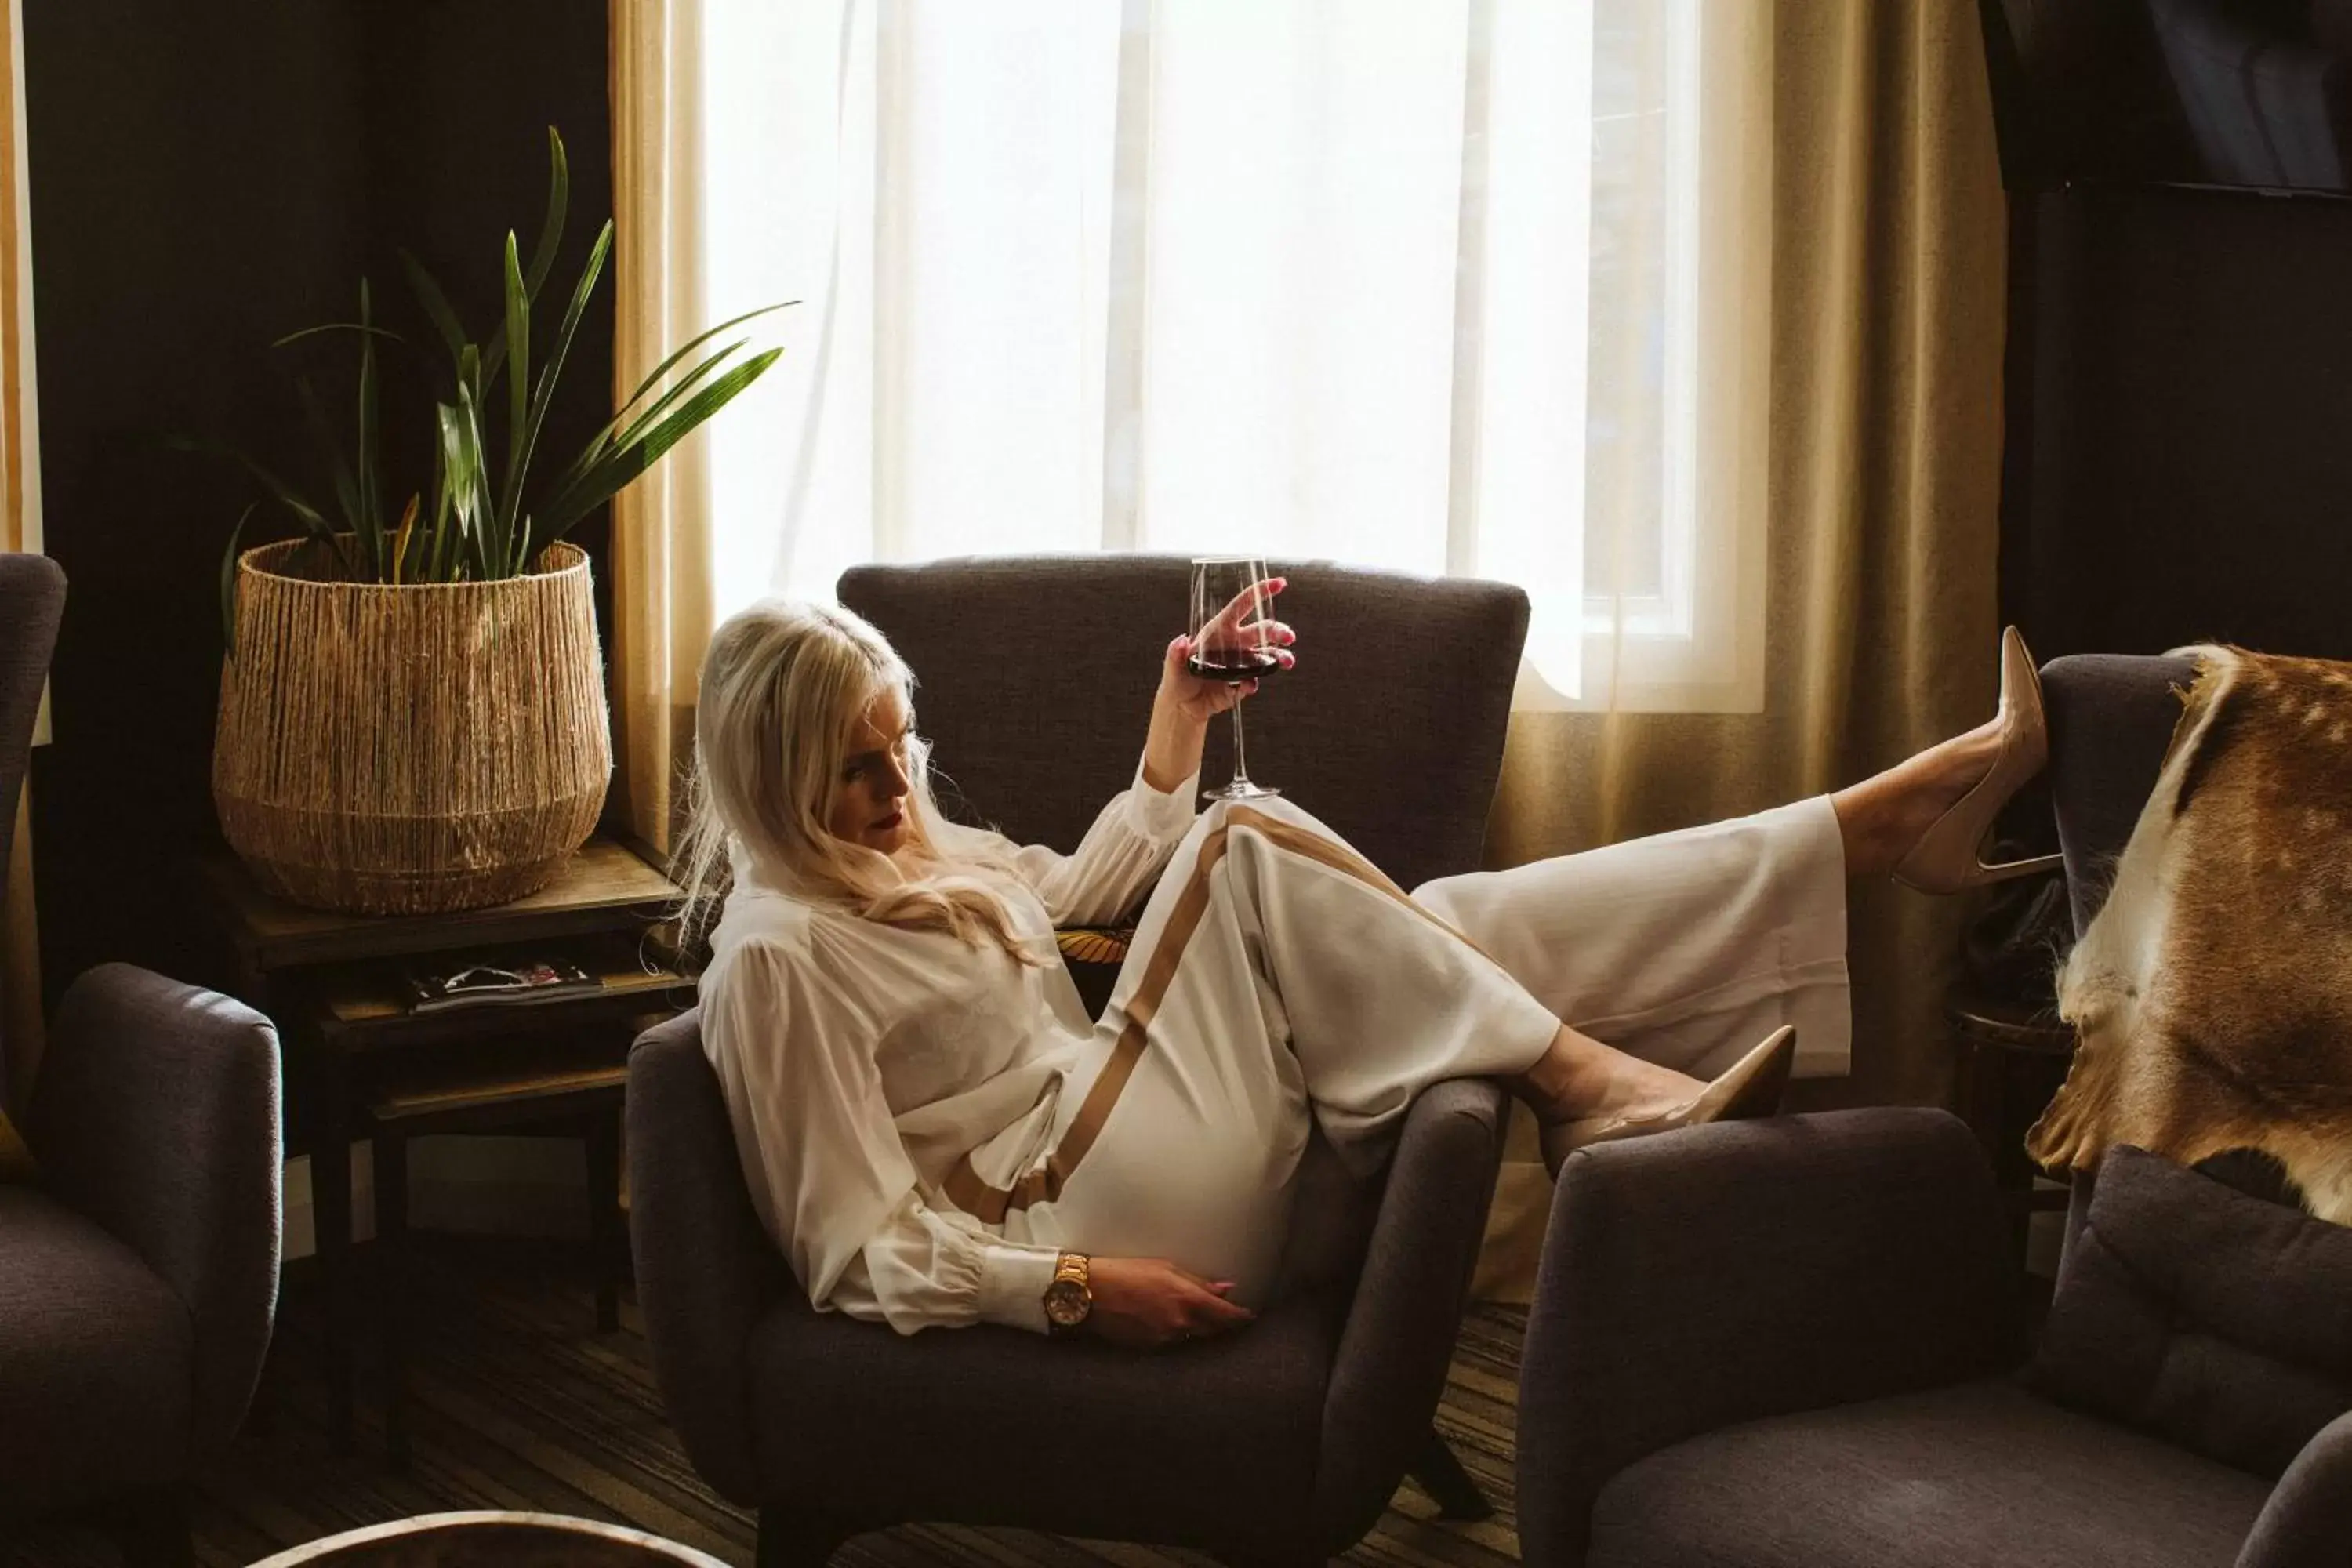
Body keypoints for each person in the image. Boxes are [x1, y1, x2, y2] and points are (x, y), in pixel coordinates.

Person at [677, 586, 2052, 1348]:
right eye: (854, 771)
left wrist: (1176, 719)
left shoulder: (902, 845)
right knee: (1249, 842)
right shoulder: (778, 963)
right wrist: (1074, 1294)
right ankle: (1594, 1088)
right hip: (1065, 1211)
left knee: (1452, 922)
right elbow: (847, 1254)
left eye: (900, 745)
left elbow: (1074, 899)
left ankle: (1869, 834)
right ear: (769, 780)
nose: (895, 788)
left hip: (1119, 1126)